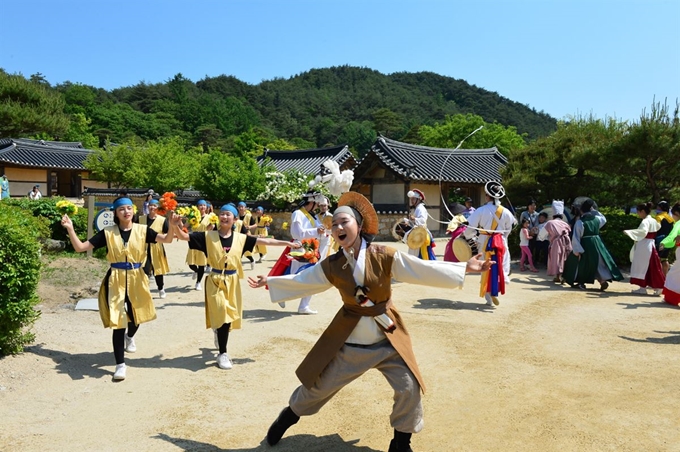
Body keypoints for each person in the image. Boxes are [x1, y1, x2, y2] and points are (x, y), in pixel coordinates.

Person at [247, 192, 492, 451]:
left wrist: (464, 268)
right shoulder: (331, 265)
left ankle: (400, 443)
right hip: (351, 343)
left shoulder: (385, 255)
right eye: (334, 225)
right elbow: (304, 281)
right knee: (316, 390)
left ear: (360, 226)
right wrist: (270, 282)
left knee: (409, 388)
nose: (339, 227)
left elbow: (420, 268)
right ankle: (288, 416)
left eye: (345, 222)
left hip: (388, 339)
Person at [60, 196, 177, 381]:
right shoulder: (108, 232)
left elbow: (167, 240)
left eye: (129, 208)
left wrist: (171, 225)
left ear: (134, 211)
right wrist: (70, 229)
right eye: (122, 209)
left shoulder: (143, 230)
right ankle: (120, 365)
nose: (126, 212)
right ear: (115, 212)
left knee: (137, 316)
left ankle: (130, 336)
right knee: (118, 320)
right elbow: (80, 247)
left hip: (137, 276)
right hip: (115, 278)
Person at [174, 203, 300, 370]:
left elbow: (265, 240)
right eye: (222, 214)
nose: (224, 217)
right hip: (214, 281)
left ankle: (219, 335)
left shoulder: (241, 239)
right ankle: (223, 353)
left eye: (228, 214)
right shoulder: (207, 236)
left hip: (232, 281)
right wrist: (175, 225)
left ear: (234, 219)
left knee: (228, 316)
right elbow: (184, 237)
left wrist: (287, 244)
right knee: (221, 313)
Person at [464, 181, 517, 307]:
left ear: (487, 195)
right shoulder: (506, 212)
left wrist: (469, 236)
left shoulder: (481, 210)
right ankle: (501, 282)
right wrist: (502, 238)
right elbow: (509, 229)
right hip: (501, 242)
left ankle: (488, 296)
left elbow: (470, 227)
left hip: (485, 241)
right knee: (501, 266)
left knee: (485, 267)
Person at [563, 199, 623, 291]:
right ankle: (602, 281)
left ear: (581, 210)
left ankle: (581, 283)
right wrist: (593, 210)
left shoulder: (580, 222)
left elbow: (576, 237)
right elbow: (603, 218)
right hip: (597, 243)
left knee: (583, 264)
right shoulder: (597, 219)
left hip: (585, 244)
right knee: (598, 262)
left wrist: (576, 250)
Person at [286, 190, 326, 314]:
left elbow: (320, 231)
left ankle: (304, 305)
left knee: (312, 277)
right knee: (295, 276)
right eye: (317, 203)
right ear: (311, 202)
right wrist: (316, 231)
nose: (318, 206)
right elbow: (297, 233)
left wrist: (325, 232)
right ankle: (282, 293)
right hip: (300, 248)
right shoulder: (298, 214)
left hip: (312, 248)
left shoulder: (313, 216)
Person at [624, 202, 666, 295]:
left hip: (645, 245)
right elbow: (658, 227)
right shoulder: (653, 220)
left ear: (642, 211)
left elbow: (643, 232)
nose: (637, 214)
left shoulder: (645, 221)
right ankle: (650, 287)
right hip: (650, 244)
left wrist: (629, 232)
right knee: (651, 266)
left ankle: (651, 287)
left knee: (645, 266)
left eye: (638, 212)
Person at [139, 199, 170, 299]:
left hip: (157, 247)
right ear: (148, 207)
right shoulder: (141, 219)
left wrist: (161, 237)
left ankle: (161, 288)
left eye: (154, 205)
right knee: (144, 269)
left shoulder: (162, 220)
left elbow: (167, 233)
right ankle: (144, 290)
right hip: (143, 247)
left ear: (158, 208)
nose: (152, 207)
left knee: (158, 269)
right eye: (150, 205)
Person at [537, 201, 572, 284]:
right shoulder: (565, 223)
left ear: (553, 215)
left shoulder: (550, 223)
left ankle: (558, 276)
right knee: (564, 259)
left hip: (556, 243)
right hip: (566, 243)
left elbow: (541, 236)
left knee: (556, 259)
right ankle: (563, 276)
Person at [186, 200, 213, 290]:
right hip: (193, 239)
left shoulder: (210, 217)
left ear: (206, 207)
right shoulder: (193, 216)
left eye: (204, 205)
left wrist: (211, 227)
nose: (202, 207)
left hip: (203, 240)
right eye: (200, 205)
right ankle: (196, 271)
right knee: (191, 263)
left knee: (202, 263)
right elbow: (185, 226)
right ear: (197, 207)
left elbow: (212, 230)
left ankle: (198, 282)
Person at [405, 189, 435, 260]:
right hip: (418, 233)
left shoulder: (420, 208)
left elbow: (422, 220)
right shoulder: (418, 208)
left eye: (413, 199)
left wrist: (414, 219)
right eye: (411, 199)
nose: (411, 200)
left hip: (421, 234)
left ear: (418, 199)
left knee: (418, 254)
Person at [660, 203, 680, 306]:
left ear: (676, 213)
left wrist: (664, 243)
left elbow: (672, 235)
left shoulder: (678, 223)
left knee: (674, 274)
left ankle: (671, 298)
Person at [655, 200, 675, 275]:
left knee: (657, 260)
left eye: (658, 207)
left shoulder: (659, 217)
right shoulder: (670, 218)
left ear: (661, 208)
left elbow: (656, 229)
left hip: (659, 241)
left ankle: (658, 278)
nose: (657, 208)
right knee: (664, 259)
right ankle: (664, 278)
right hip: (668, 241)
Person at [236, 201, 257, 270]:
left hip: (246, 234)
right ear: (237, 208)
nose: (241, 208)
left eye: (242, 207)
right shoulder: (236, 216)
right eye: (239, 207)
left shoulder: (249, 216)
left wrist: (250, 227)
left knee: (246, 251)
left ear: (245, 208)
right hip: (238, 234)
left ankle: (252, 260)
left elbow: (255, 225)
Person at [520, 199, 540, 264]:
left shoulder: (537, 214)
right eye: (531, 205)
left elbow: (537, 224)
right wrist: (528, 231)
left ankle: (531, 262)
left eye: (534, 205)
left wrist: (532, 232)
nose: (533, 207)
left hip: (533, 234)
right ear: (528, 206)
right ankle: (526, 262)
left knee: (532, 247)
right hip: (525, 233)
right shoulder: (524, 213)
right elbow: (521, 223)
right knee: (525, 248)